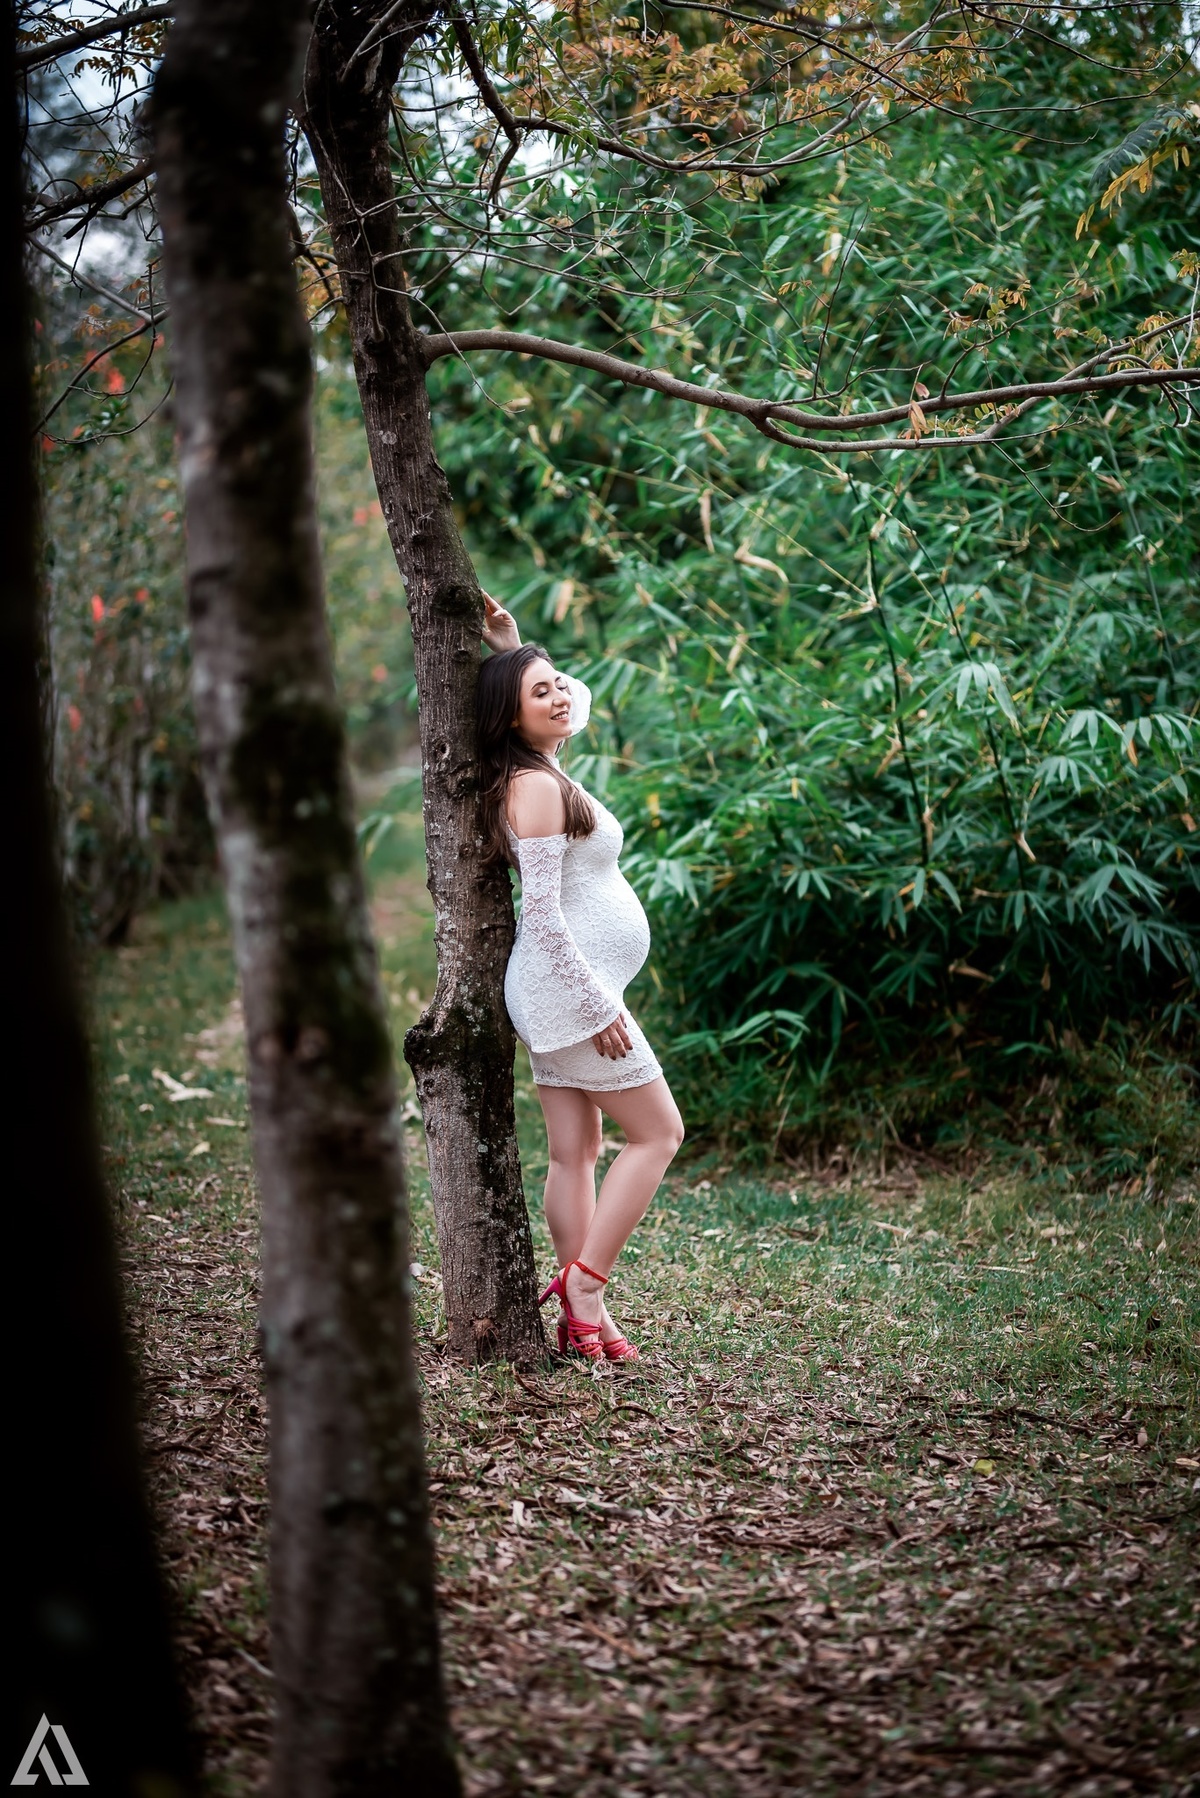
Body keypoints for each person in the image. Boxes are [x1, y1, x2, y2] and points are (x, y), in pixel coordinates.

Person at [476, 593, 684, 1363]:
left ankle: (581, 1320)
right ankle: (587, 1284)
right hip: (569, 991)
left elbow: (566, 706)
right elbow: (546, 914)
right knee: (660, 1134)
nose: (564, 694)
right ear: (509, 720)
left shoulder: (543, 767)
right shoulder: (533, 787)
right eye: (542, 692)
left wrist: (517, 650)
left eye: (561, 681)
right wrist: (598, 1003)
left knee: (575, 1152)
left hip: (559, 993)